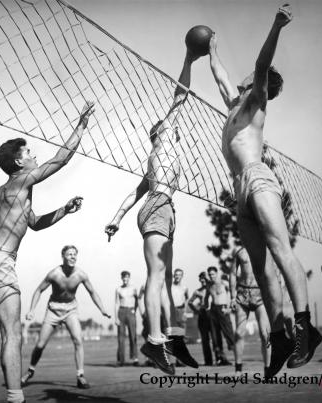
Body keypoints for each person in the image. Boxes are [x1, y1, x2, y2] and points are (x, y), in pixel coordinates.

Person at [0, 101, 94, 403]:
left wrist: (64, 210)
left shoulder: (8, 192)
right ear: (18, 163)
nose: (33, 154)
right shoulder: (21, 180)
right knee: (13, 334)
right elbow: (60, 160)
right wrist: (81, 125)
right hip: (0, 262)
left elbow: (34, 223)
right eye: (27, 152)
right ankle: (15, 398)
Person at [208, 4, 322, 377]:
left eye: (254, 76)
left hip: (258, 178)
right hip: (239, 189)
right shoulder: (234, 106)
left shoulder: (257, 100)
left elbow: (259, 67)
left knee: (279, 249)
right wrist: (210, 50)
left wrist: (276, 27)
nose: (244, 76)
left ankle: (305, 329)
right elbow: (222, 77)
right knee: (259, 269)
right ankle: (280, 336)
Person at [105, 51, 200, 375]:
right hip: (158, 208)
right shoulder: (163, 144)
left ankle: (171, 338)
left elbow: (134, 192)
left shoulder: (157, 161)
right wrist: (188, 57)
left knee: (164, 284)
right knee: (156, 279)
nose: (174, 126)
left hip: (163, 209)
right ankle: (154, 340)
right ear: (161, 133)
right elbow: (180, 96)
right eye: (170, 126)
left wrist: (116, 220)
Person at [21, 245, 110, 389]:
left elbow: (92, 292)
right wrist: (31, 310)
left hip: (71, 310)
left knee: (78, 340)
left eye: (75, 254)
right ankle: (30, 371)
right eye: (69, 254)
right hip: (53, 310)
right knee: (40, 345)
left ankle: (80, 376)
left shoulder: (81, 274)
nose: (73, 257)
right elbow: (39, 290)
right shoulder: (54, 274)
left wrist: (102, 309)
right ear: (63, 256)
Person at [230, 247, 271, 375]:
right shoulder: (240, 252)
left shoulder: (265, 251)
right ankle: (238, 369)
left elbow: (276, 273)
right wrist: (232, 297)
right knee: (239, 333)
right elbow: (232, 274)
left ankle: (268, 369)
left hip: (260, 295)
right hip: (242, 295)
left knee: (265, 334)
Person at [206, 266, 234, 365]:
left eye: (213, 274)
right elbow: (206, 298)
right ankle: (221, 359)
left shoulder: (224, 283)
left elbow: (232, 294)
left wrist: (229, 308)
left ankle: (237, 358)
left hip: (223, 309)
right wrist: (207, 308)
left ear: (216, 274)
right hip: (213, 310)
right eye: (209, 275)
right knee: (215, 336)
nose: (211, 276)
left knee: (229, 333)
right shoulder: (209, 285)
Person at [188, 272, 214, 366]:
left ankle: (220, 358)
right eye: (201, 279)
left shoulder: (212, 288)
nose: (203, 280)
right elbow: (190, 302)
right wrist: (196, 310)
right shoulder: (197, 291)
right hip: (203, 314)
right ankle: (208, 361)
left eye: (204, 278)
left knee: (215, 338)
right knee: (205, 339)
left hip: (212, 312)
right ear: (199, 280)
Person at [114, 271, 139, 366]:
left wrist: (134, 310)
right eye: (123, 277)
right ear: (121, 278)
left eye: (127, 277)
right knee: (121, 337)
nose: (125, 279)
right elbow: (116, 303)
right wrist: (116, 317)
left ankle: (135, 358)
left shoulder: (133, 289)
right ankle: (121, 360)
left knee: (133, 336)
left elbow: (138, 301)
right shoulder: (118, 289)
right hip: (121, 312)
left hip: (131, 311)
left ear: (129, 278)